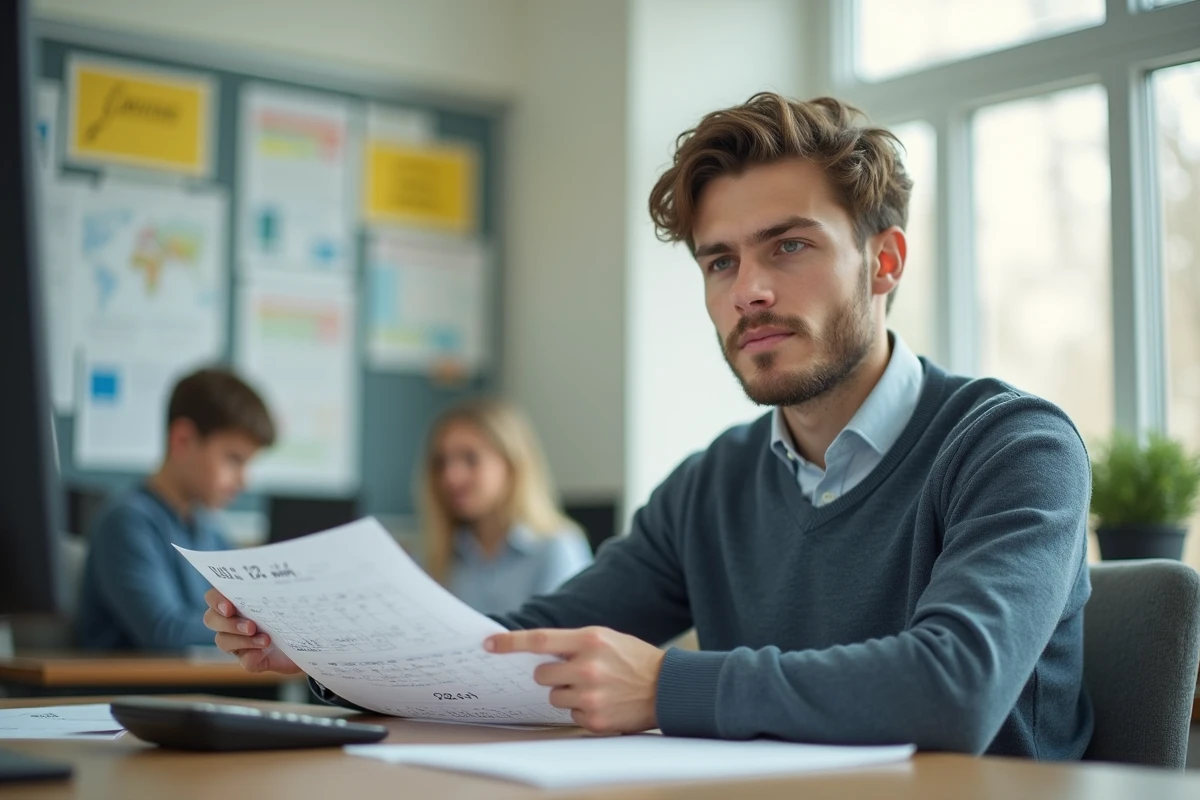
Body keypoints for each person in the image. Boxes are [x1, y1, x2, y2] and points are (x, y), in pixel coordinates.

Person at [203, 93, 1093, 758]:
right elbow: (524, 646)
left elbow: (956, 689)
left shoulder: (1016, 447)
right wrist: (332, 647)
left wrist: (667, 685)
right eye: (720, 260)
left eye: (789, 245)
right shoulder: (712, 485)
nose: (749, 290)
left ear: (884, 260)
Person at [77, 367, 275, 651]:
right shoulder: (126, 522)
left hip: (196, 688)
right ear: (183, 440)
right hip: (131, 691)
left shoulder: (209, 530)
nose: (244, 480)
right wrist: (261, 632)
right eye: (234, 459)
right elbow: (164, 631)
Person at [418, 397, 592, 615]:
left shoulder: (557, 548)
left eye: (471, 459)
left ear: (512, 465)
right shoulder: (436, 556)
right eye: (441, 463)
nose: (451, 477)